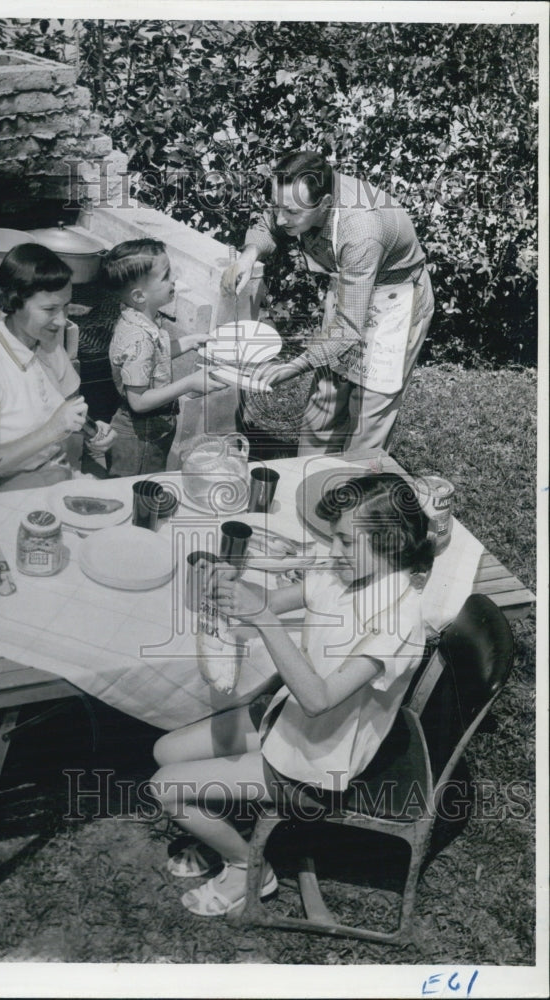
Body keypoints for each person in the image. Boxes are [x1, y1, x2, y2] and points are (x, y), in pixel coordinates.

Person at [149, 473, 433, 917]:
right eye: (333, 537)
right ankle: (226, 829)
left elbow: (319, 700)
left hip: (316, 761)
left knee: (165, 789)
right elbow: (274, 600)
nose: (331, 551)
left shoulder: (399, 622)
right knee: (165, 749)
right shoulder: (349, 568)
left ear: (391, 544)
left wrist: (263, 619)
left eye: (343, 541)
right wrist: (233, 591)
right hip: (285, 717)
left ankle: (249, 866)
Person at [222, 150, 435, 455]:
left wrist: (294, 366)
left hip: (394, 303)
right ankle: (307, 490)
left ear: (323, 204)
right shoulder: (299, 193)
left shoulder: (361, 230)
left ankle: (359, 493)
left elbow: (348, 328)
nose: (282, 219)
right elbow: (269, 224)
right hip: (351, 288)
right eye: (278, 206)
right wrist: (249, 254)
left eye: (292, 213)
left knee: (368, 413)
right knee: (325, 401)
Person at [0, 243, 115, 492]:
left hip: (58, 475)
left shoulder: (47, 344)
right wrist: (51, 430)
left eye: (66, 306)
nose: (62, 321)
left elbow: (69, 409)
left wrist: (93, 431)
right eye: (49, 309)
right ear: (14, 302)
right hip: (9, 490)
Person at [102, 238, 225, 476]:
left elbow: (154, 356)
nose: (174, 278)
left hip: (150, 428)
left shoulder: (140, 319)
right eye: (166, 275)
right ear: (140, 296)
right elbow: (138, 402)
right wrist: (188, 383)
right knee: (136, 491)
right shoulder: (138, 338)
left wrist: (188, 343)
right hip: (141, 435)